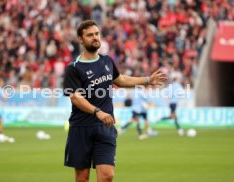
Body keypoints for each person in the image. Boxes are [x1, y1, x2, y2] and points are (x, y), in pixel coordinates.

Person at [63, 20, 167, 182]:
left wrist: (147, 80)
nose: (95, 37)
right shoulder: (74, 68)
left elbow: (120, 80)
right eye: (90, 35)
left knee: (107, 176)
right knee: (82, 178)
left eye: (97, 34)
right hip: (81, 127)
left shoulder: (106, 61)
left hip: (105, 126)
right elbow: (76, 97)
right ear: (80, 40)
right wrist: (97, 112)